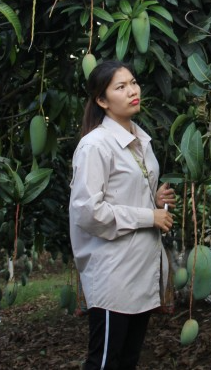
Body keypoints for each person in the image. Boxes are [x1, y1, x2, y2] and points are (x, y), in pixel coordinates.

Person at [69, 60, 176, 370]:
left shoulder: (141, 141)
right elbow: (88, 211)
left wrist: (152, 198)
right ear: (102, 100)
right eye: (121, 87)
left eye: (133, 82)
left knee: (127, 361)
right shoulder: (95, 146)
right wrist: (149, 216)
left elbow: (121, 192)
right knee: (104, 362)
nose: (132, 91)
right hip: (114, 276)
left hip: (140, 272)